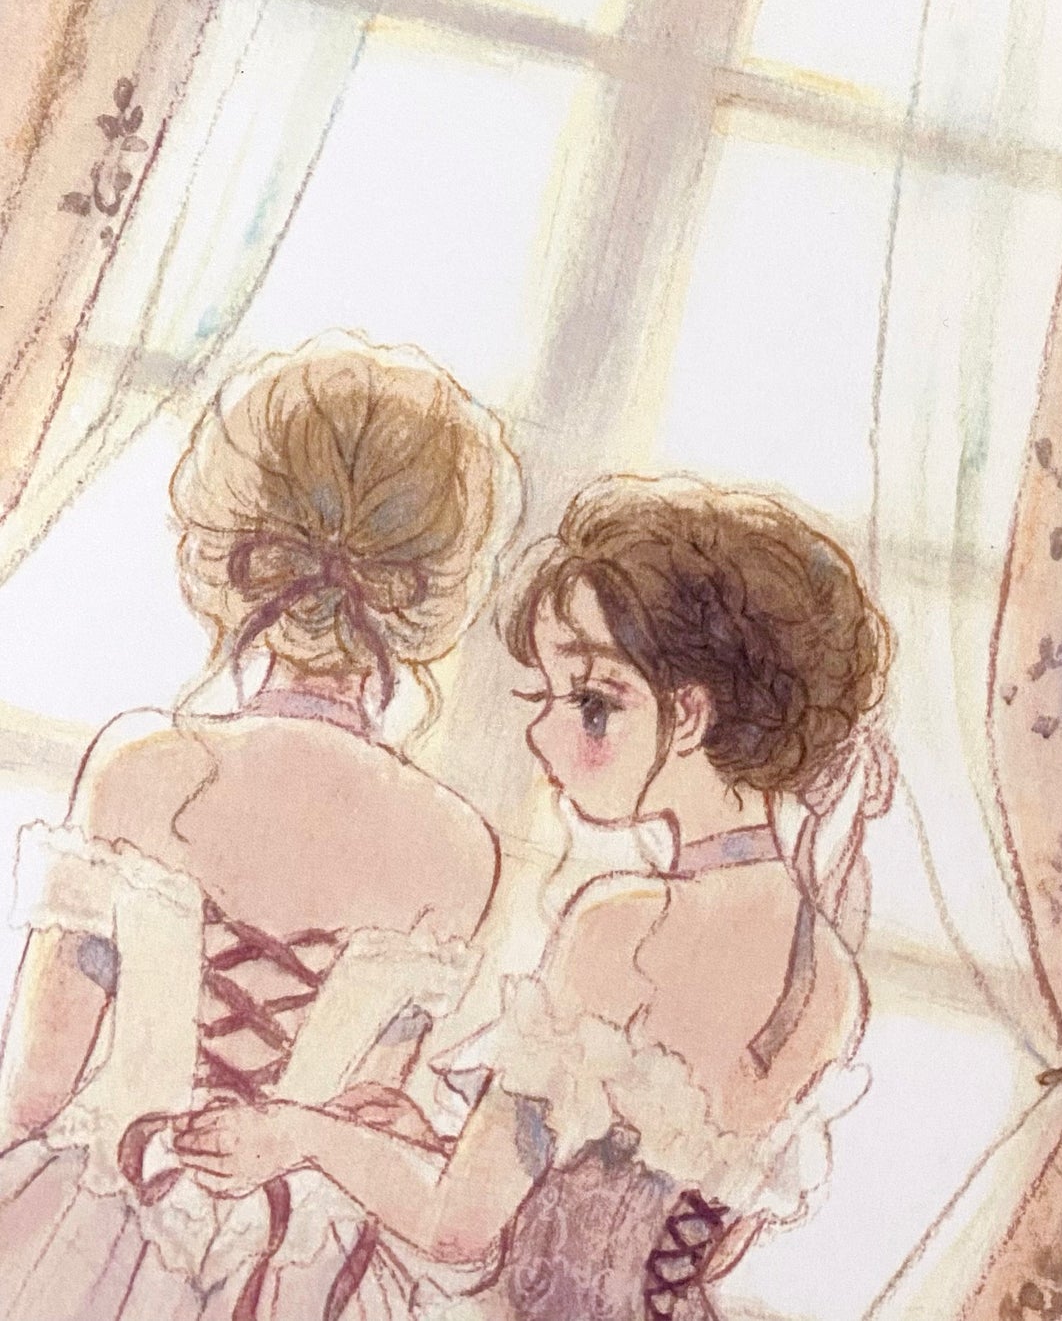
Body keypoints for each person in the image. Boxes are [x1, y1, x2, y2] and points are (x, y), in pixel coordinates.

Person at [177, 474, 896, 1320]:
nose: (541, 731)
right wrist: (418, 1142)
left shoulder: (624, 926)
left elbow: (457, 1229)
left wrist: (298, 1132)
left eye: (592, 703)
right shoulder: (830, 975)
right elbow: (641, 1217)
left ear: (691, 717)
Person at [0, 336, 521, 1320]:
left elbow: (31, 1087)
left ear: (228, 550)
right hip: (300, 1266)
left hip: (86, 1232)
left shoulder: (142, 767)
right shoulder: (458, 847)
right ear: (431, 590)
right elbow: (364, 1114)